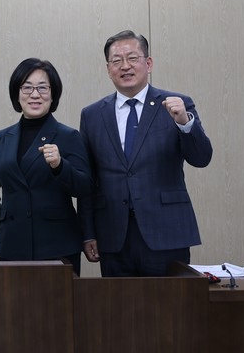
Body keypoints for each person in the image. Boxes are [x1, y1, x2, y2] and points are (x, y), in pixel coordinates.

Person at [79, 30, 213, 277]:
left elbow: (201, 158)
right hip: (113, 236)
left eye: (132, 58)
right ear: (108, 69)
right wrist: (88, 233)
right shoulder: (92, 115)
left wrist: (185, 123)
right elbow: (88, 180)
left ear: (148, 63)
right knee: (117, 302)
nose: (125, 66)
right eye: (116, 60)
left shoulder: (177, 104)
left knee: (169, 301)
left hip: (166, 232)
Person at [0, 58, 91, 275]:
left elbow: (85, 187)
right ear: (17, 93)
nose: (35, 94)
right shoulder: (1, 138)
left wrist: (60, 166)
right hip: (13, 246)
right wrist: (2, 230)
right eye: (27, 87)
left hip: (58, 247)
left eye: (42, 88)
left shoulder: (69, 136)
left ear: (53, 94)